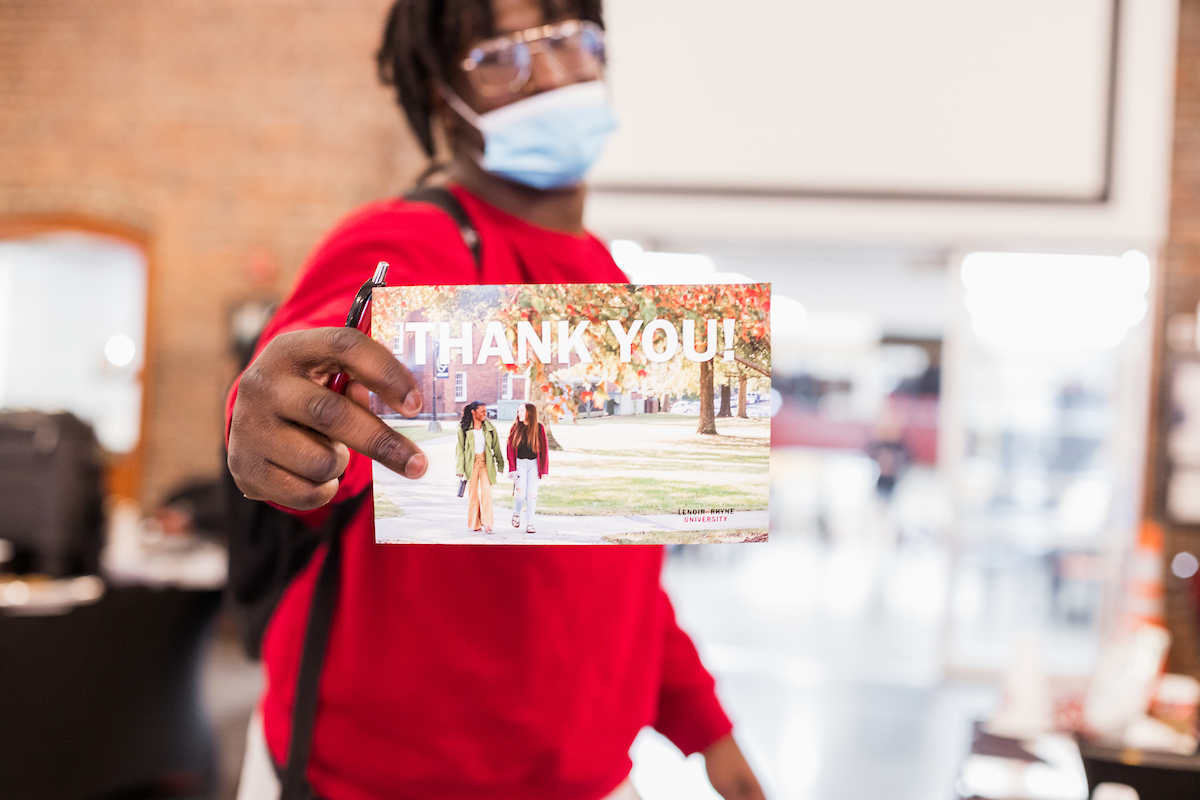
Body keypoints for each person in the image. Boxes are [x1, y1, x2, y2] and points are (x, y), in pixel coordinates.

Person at [225, 0, 765, 798]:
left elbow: (616, 570)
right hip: (380, 782)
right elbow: (310, 384)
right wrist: (266, 417)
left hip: (588, 780)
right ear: (442, 93)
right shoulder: (413, 244)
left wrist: (706, 728)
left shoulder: (608, 281)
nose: (548, 72)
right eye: (499, 56)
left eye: (566, 39)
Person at [455, 400, 505, 533]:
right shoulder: (463, 428)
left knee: (486, 492)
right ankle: (475, 524)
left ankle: (487, 523)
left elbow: (496, 446)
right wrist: (459, 469)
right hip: (470, 463)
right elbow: (460, 449)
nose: (485, 413)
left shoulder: (489, 427)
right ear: (473, 412)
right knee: (473, 494)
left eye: (485, 411)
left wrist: (500, 463)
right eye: (482, 411)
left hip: (485, 462)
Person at [506, 402, 548, 532]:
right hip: (520, 464)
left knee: (531, 494)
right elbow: (510, 449)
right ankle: (517, 513)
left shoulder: (539, 428)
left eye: (522, 411)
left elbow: (544, 450)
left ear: (530, 413)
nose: (519, 414)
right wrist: (512, 468)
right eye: (518, 411)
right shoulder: (515, 428)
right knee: (520, 494)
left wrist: (543, 469)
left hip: (534, 464)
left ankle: (530, 523)